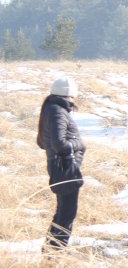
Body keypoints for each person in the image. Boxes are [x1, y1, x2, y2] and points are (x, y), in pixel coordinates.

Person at [37, 76, 85, 249]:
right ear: (70, 94)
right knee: (67, 214)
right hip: (65, 168)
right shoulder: (57, 111)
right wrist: (79, 144)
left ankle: (51, 249)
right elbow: (59, 143)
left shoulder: (51, 108)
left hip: (59, 166)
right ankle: (56, 251)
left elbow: (42, 142)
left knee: (62, 211)